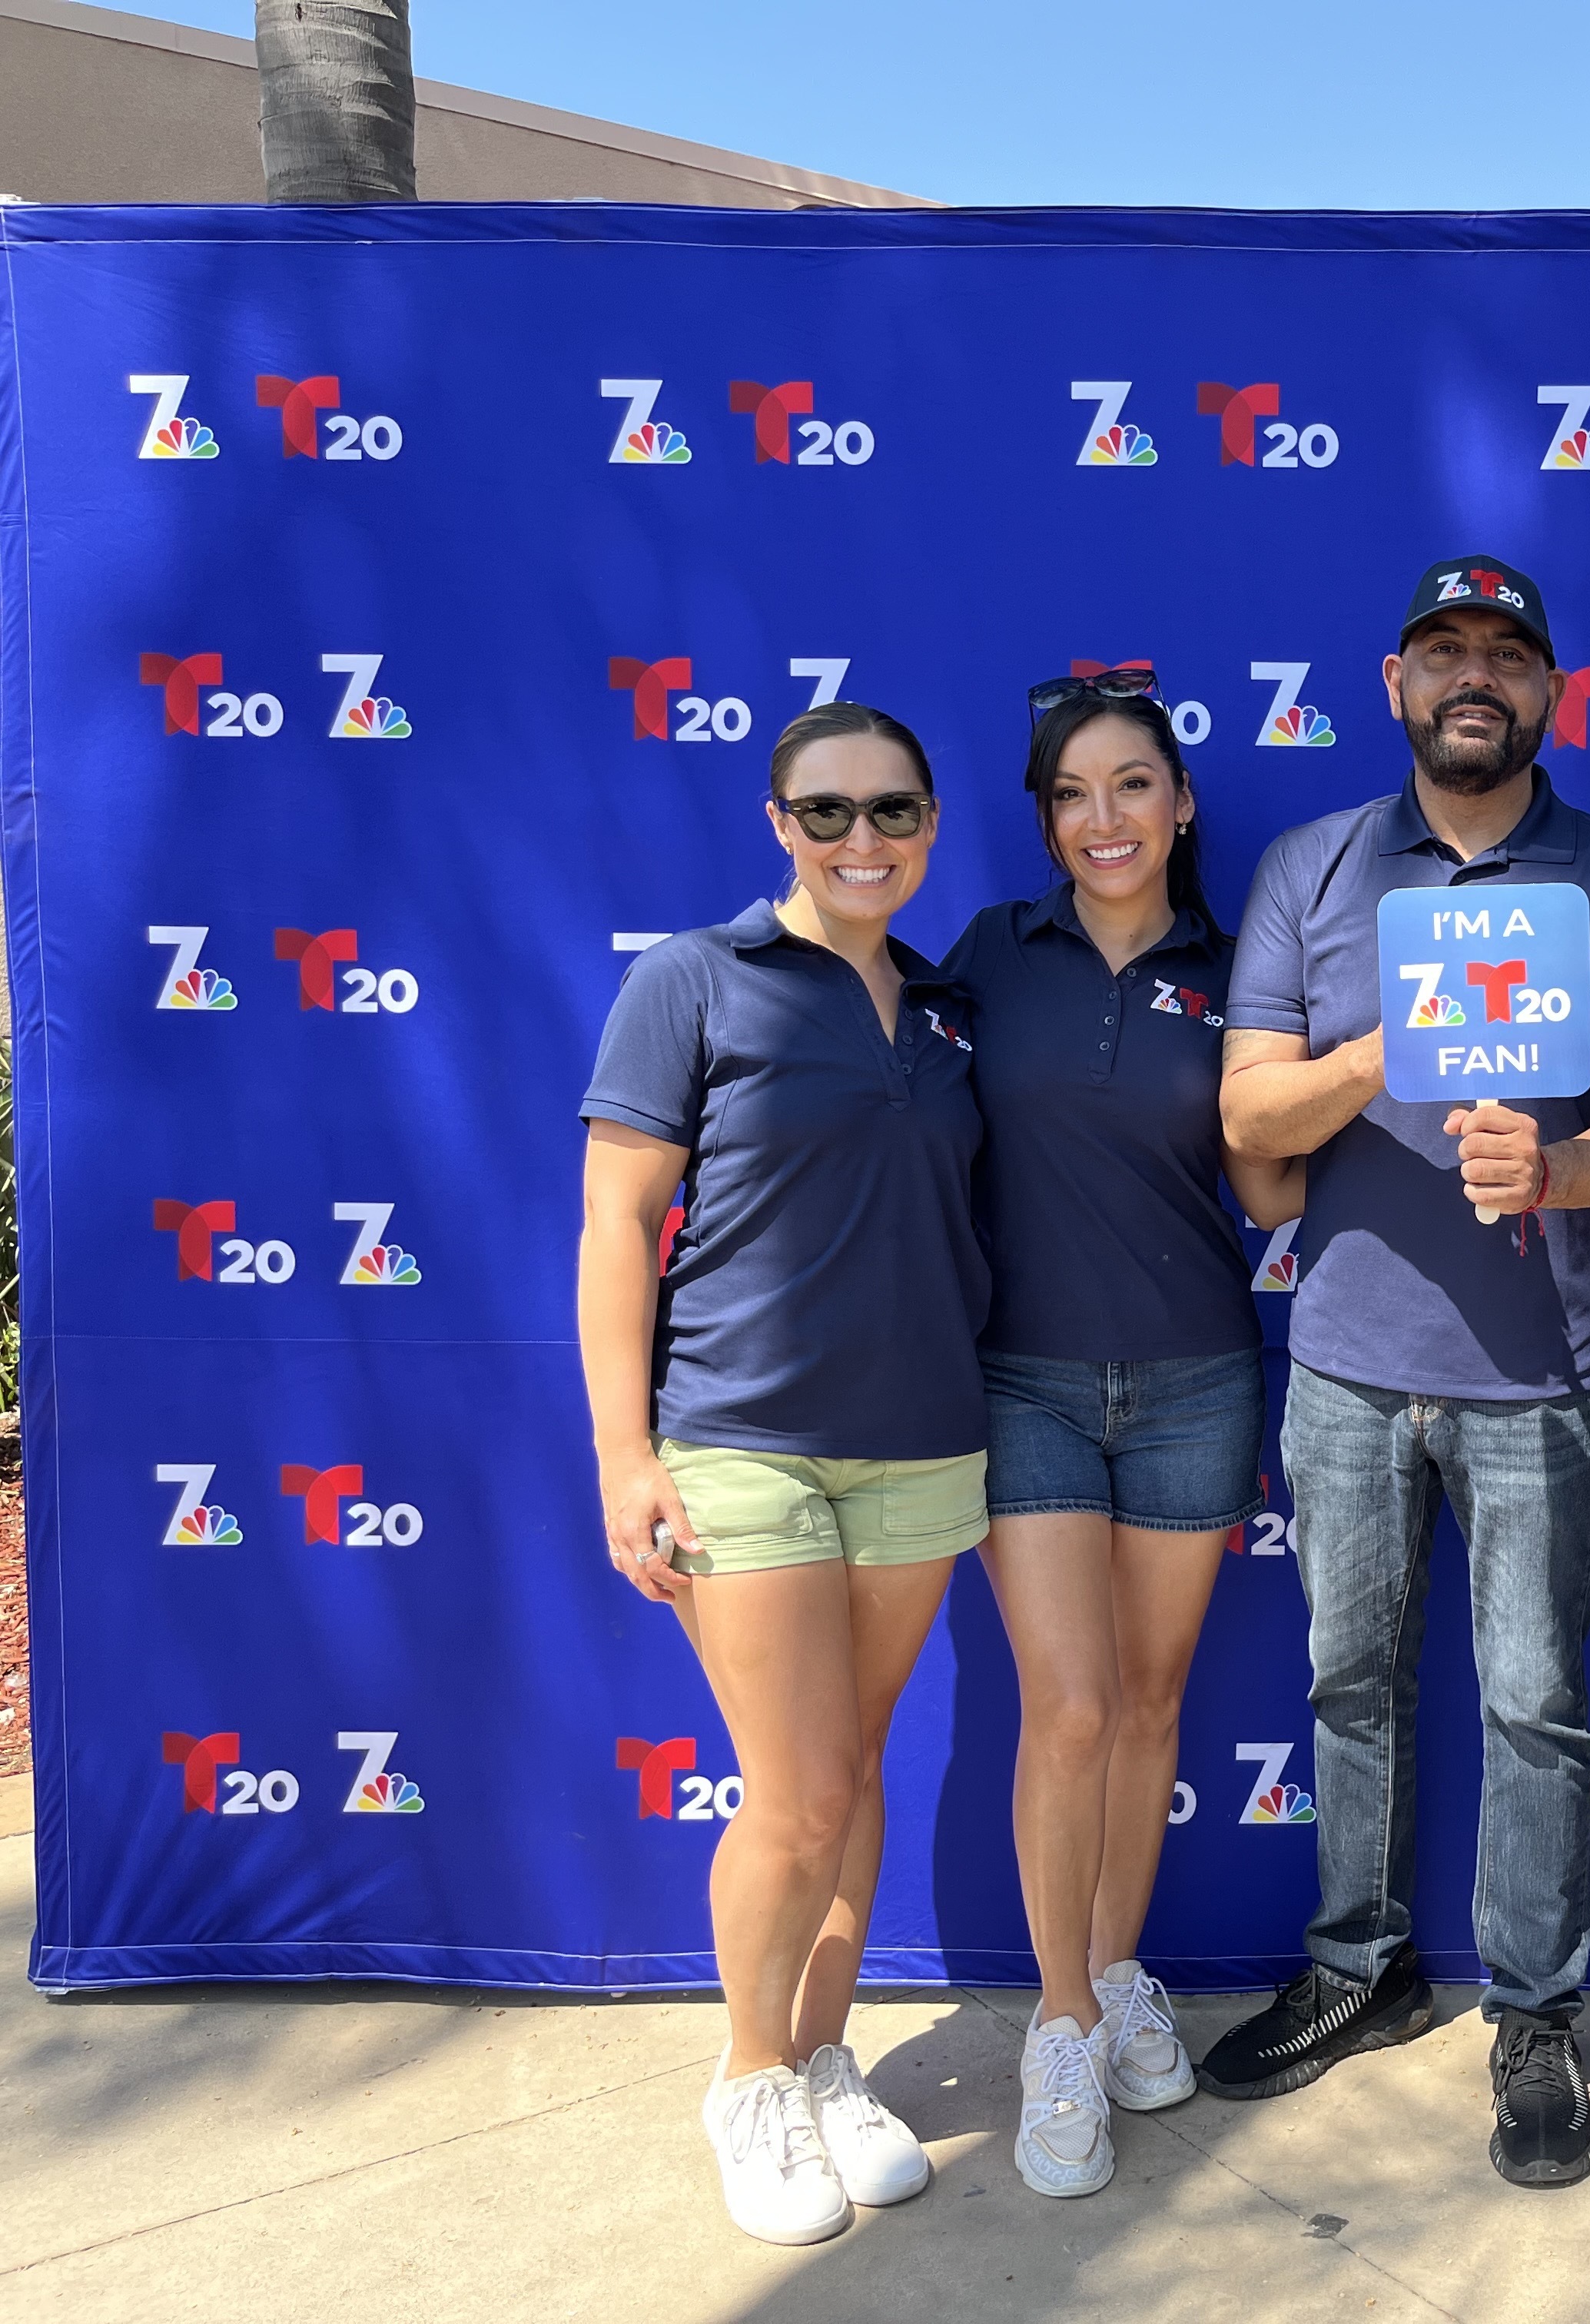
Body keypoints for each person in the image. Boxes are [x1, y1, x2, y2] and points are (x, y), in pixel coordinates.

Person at [1204, 553, 1590, 2189]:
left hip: (1538, 1374)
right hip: (1345, 1364)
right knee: (1349, 1681)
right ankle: (1361, 1962)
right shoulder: (1312, 866)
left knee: (1534, 1705)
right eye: (1444, 651)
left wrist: (1559, 1172)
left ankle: (1535, 2016)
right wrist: (1381, 1055)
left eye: (1507, 653)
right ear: (1395, 681)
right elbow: (1251, 1123)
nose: (1473, 675)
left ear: (1550, 692)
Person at [577, 702, 989, 2246]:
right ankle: (748, 2074)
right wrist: (626, 1456)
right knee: (801, 1789)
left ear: (933, 825)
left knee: (855, 1772)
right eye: (828, 814)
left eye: (893, 811)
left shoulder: (951, 1010)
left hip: (924, 1443)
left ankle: (826, 2054)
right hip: (741, 1443)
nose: (862, 840)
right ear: (778, 825)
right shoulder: (692, 980)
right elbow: (617, 1228)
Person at [944, 672, 1303, 2199]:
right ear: (1046, 820)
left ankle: (1118, 1969)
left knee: (1151, 1711)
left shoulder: (1243, 973)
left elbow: (1275, 1195)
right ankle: (1067, 2023)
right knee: (1073, 1711)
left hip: (1197, 1381)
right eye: (1075, 794)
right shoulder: (988, 957)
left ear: (1182, 803)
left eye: (1133, 786)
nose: (1106, 818)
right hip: (1020, 1381)